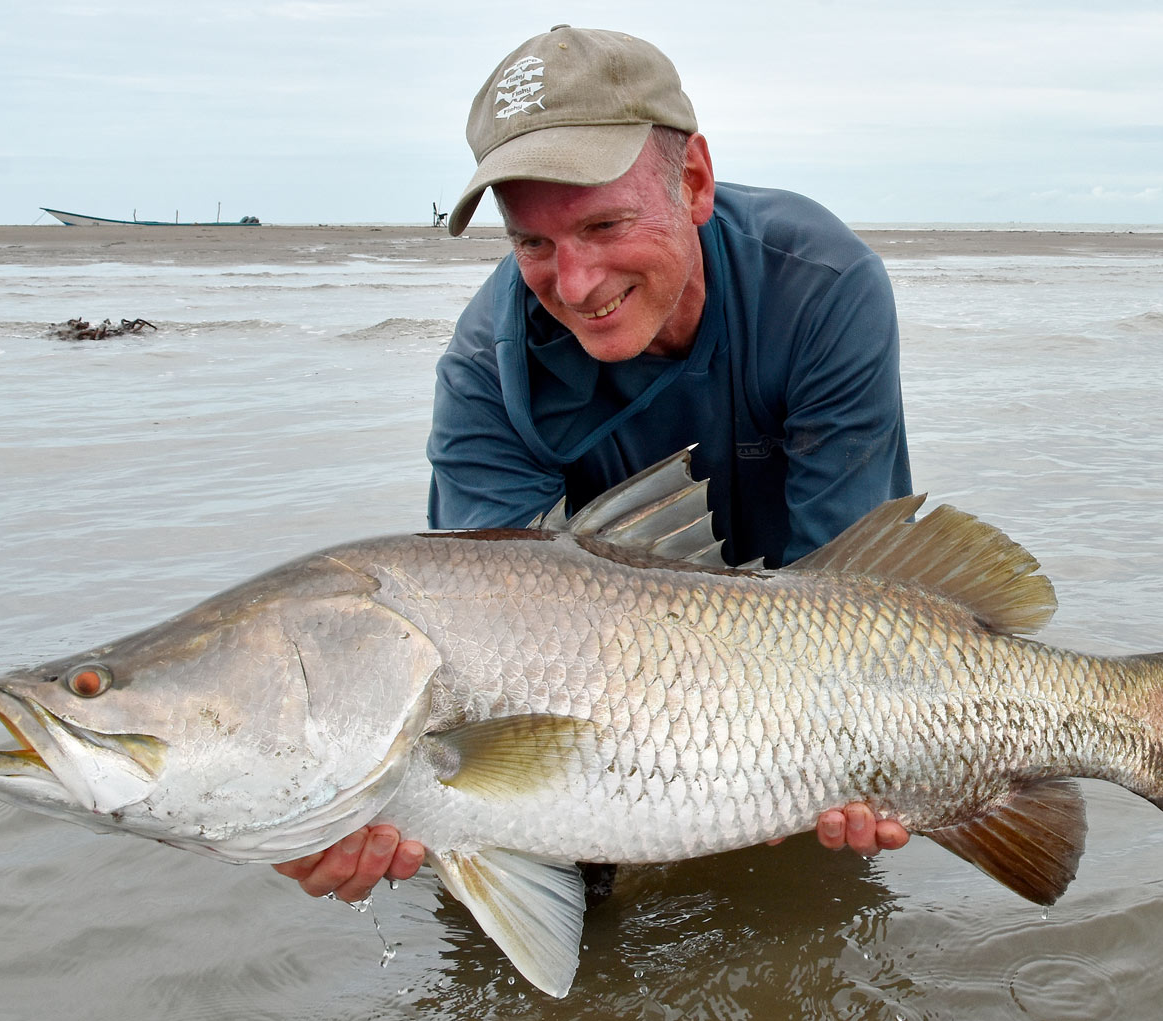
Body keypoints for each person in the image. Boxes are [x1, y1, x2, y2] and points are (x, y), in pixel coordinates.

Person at [275, 25, 913, 904]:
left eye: (605, 224)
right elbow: (489, 655)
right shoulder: (484, 374)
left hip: (797, 651)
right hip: (588, 689)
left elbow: (859, 602)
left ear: (694, 182)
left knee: (813, 901)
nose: (573, 284)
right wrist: (340, 805)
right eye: (531, 243)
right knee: (499, 878)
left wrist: (833, 751)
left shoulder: (822, 286)